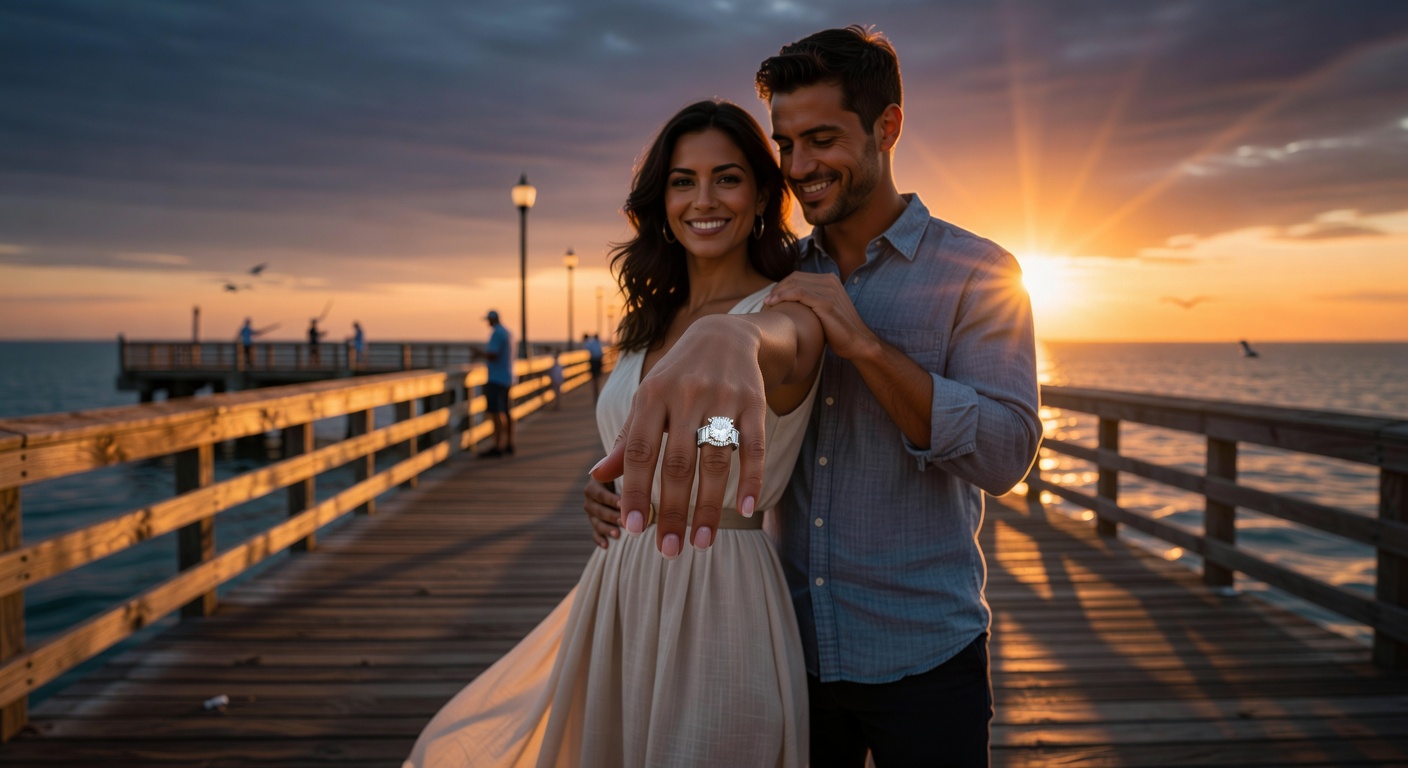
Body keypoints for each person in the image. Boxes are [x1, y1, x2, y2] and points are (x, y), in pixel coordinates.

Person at [583, 26, 1042, 767]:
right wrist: (626, 480)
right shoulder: (777, 281)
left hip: (922, 650)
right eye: (786, 144)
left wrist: (862, 345)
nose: (800, 166)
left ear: (887, 126)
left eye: (822, 139)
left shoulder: (980, 272)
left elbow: (1004, 454)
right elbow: (732, 435)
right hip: (784, 641)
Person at [405, 99, 824, 767]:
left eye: (728, 176)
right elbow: (636, 446)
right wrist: (606, 487)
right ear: (660, 200)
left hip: (720, 585)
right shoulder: (648, 323)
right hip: (620, 583)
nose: (703, 199)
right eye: (683, 181)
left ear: (762, 195)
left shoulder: (786, 311)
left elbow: (781, 348)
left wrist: (731, 334)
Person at [472, 309, 516, 457]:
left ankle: (497, 446)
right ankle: (509, 443)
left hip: (497, 378)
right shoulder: (508, 332)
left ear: (492, 320)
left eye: (488, 320)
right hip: (508, 377)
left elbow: (493, 354)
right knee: (506, 412)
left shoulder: (497, 333)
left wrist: (479, 353)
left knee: (496, 413)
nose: (487, 323)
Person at [582, 332, 604, 402]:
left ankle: (595, 393)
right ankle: (597, 392)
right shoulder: (598, 343)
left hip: (593, 361)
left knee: (594, 378)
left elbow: (587, 349)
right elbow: (601, 353)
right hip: (599, 361)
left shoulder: (589, 343)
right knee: (598, 378)